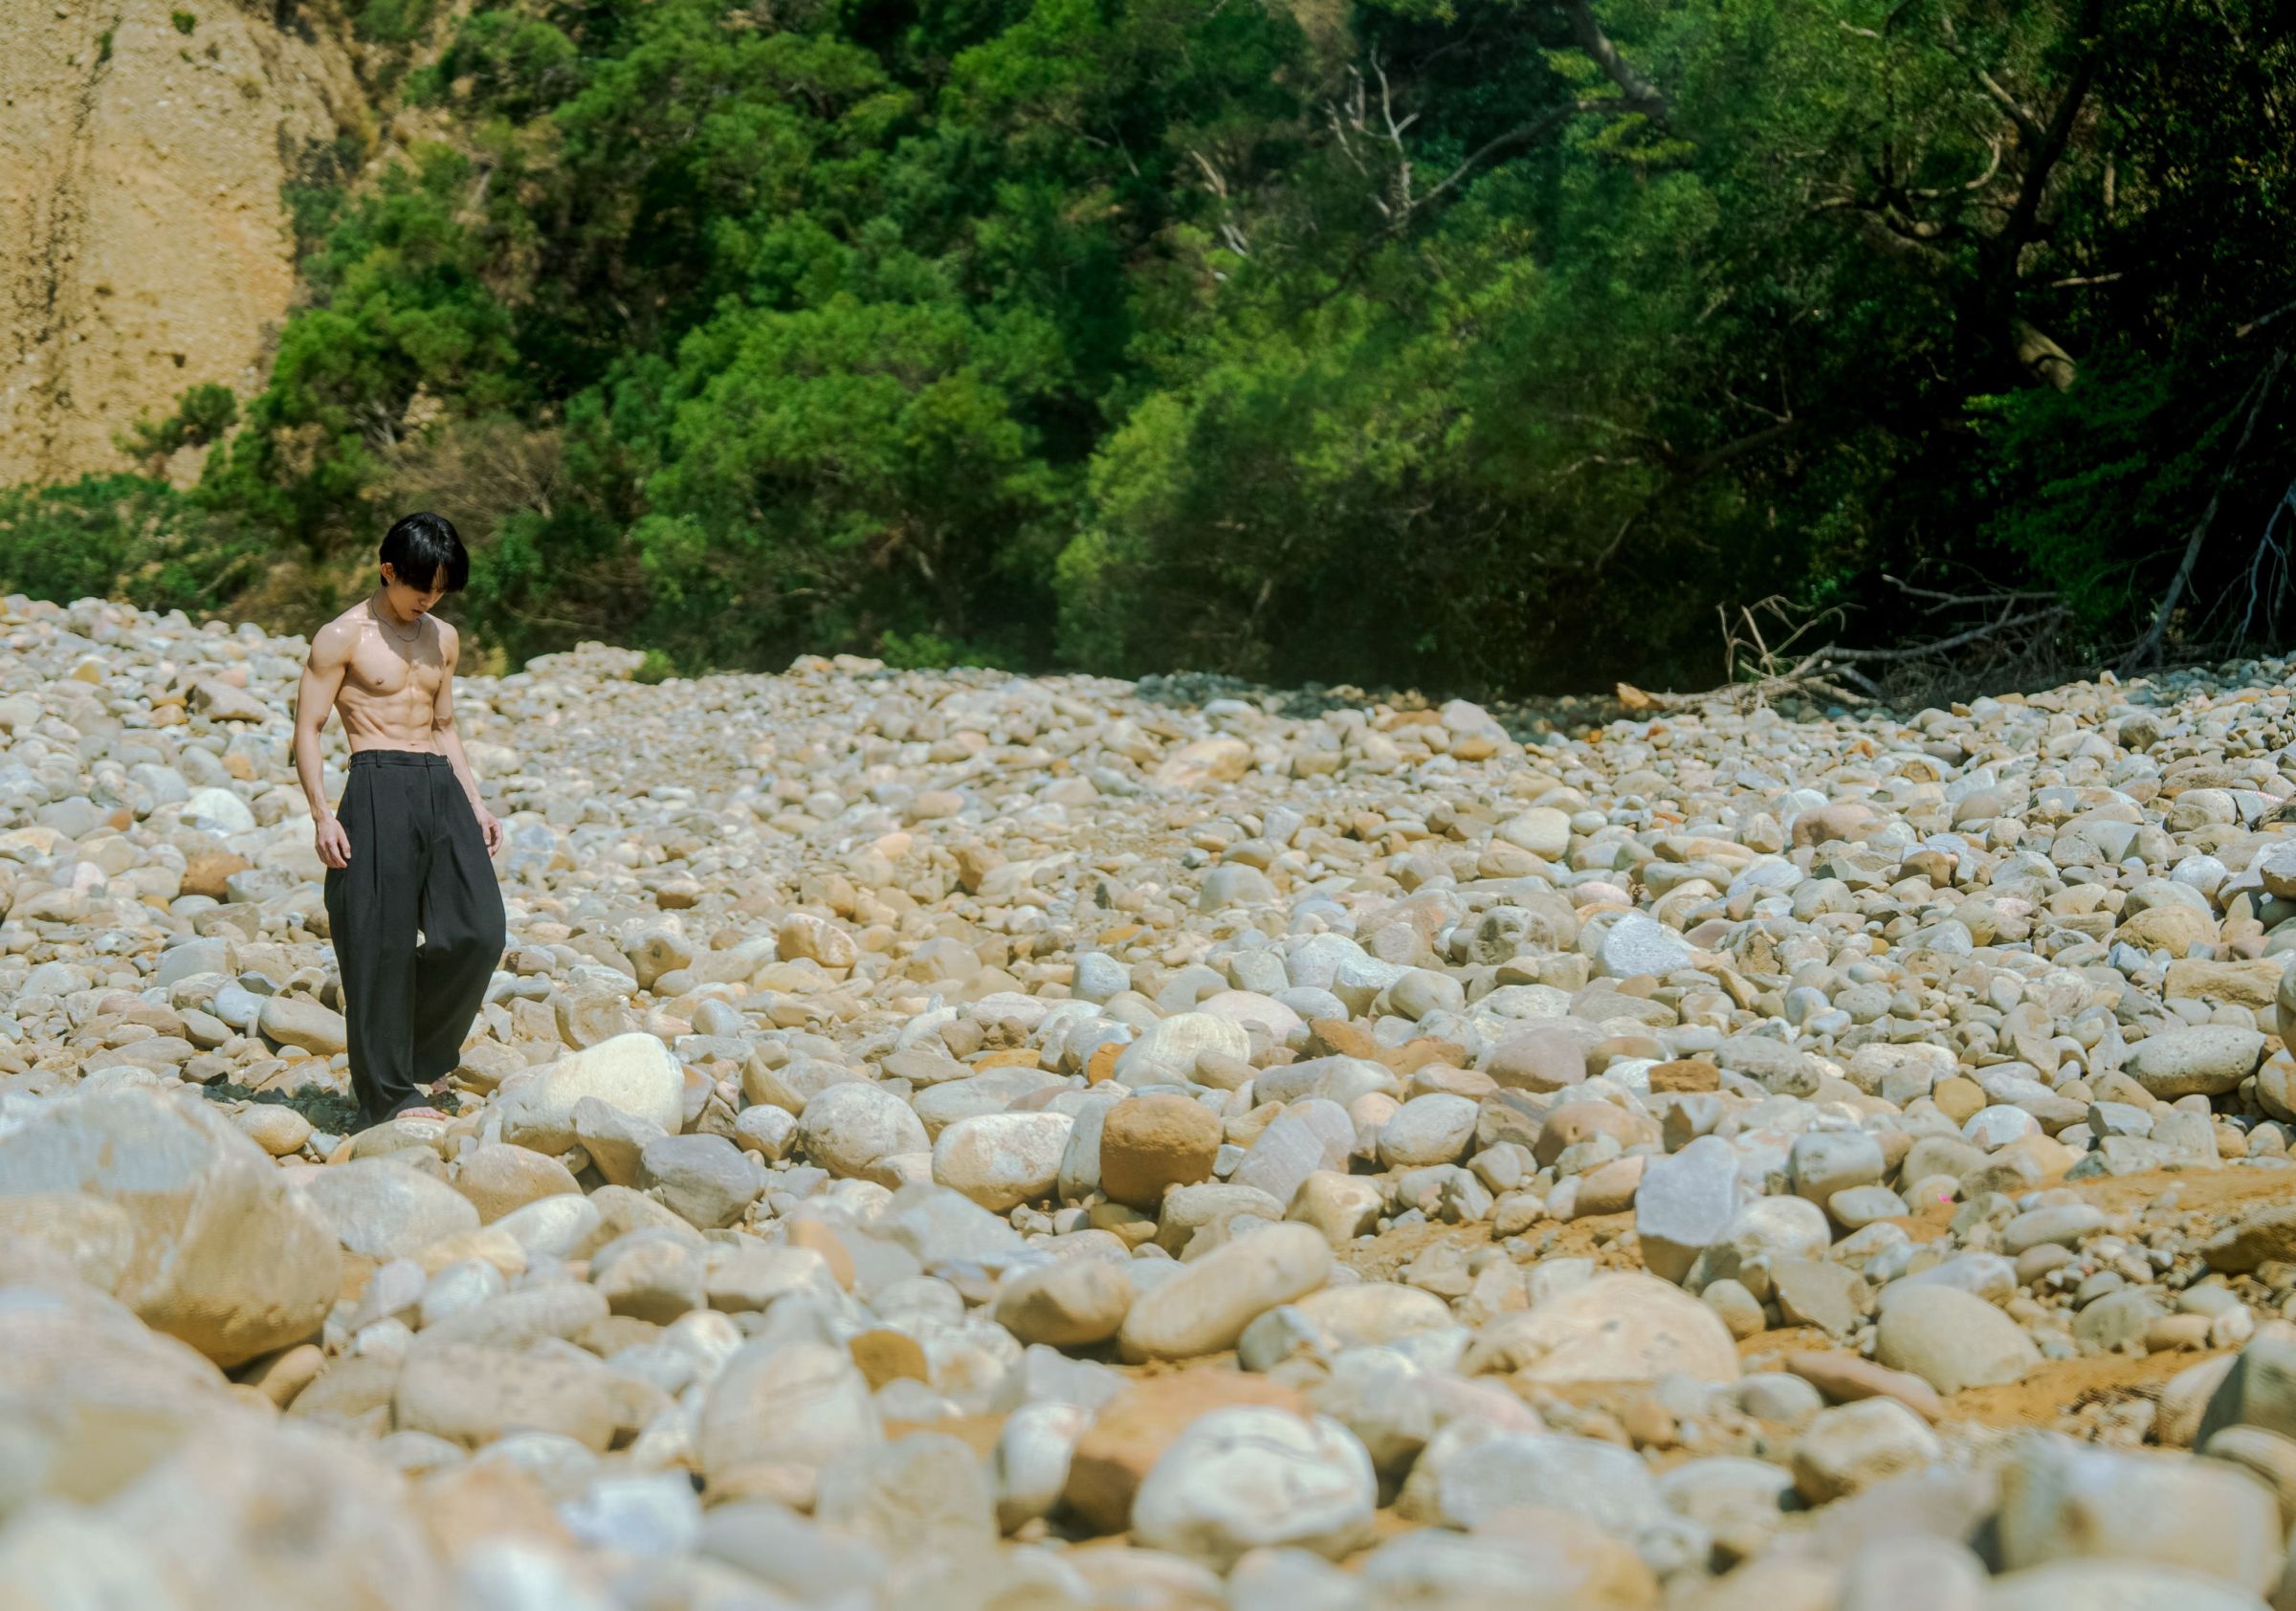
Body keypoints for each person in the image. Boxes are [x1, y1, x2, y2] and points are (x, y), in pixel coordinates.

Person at [292, 512, 507, 1130]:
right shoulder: (342, 636)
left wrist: (476, 800)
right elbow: (308, 727)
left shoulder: (443, 637)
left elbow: (444, 726)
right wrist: (320, 814)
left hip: (438, 781)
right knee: (379, 946)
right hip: (377, 781)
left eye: (440, 589)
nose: (429, 600)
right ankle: (386, 1095)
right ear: (388, 570)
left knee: (479, 930)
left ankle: (412, 1048)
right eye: (421, 587)